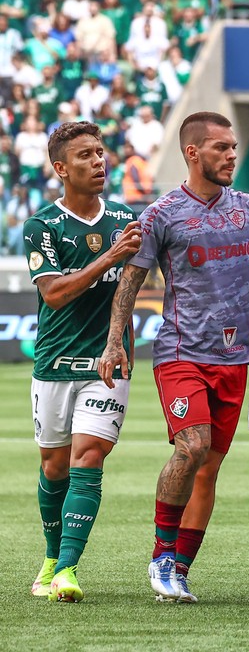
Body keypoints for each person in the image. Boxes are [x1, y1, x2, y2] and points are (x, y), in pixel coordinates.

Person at [97, 111, 249, 604]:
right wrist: (114, 341)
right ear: (193, 153)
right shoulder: (163, 213)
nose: (232, 154)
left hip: (234, 357)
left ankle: (179, 568)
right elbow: (131, 280)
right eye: (221, 147)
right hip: (180, 352)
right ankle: (161, 555)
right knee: (191, 447)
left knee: (208, 467)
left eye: (234, 147)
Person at [24, 121, 142, 602]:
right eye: (86, 156)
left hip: (106, 365)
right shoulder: (42, 226)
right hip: (54, 361)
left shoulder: (124, 218)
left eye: (100, 152)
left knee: (88, 458)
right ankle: (51, 555)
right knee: (54, 466)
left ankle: (68, 569)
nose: (99, 161)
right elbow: (54, 295)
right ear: (60, 168)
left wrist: (123, 345)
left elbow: (132, 289)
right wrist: (109, 256)